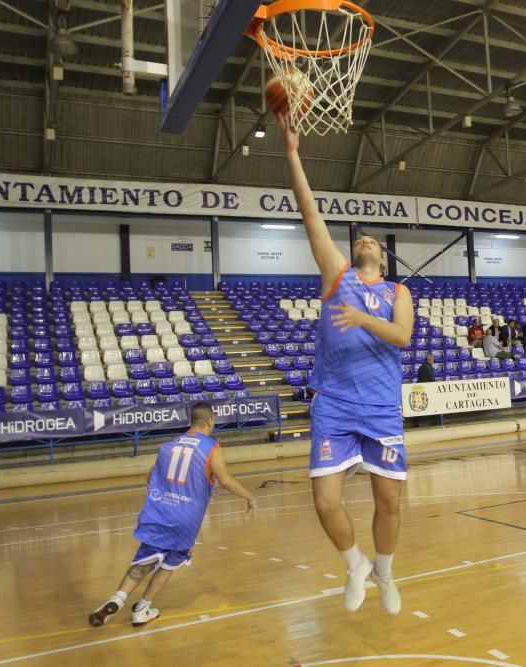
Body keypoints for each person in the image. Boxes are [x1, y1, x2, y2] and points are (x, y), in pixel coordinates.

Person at [276, 111, 414, 615]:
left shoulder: (399, 290)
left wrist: (361, 318)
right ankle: (354, 563)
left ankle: (385, 570)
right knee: (325, 501)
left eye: (372, 242)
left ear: (382, 258)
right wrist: (292, 151)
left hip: (380, 406)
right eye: (360, 239)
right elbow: (310, 212)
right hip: (334, 400)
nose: (364, 241)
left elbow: (401, 335)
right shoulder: (336, 274)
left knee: (390, 502)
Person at [88, 403, 256, 627]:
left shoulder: (167, 447)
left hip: (159, 513)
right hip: (186, 521)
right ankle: (142, 608)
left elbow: (149, 480)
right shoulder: (212, 448)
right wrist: (249, 497)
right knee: (169, 565)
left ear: (191, 420)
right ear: (210, 421)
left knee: (144, 560)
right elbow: (225, 481)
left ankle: (118, 597)